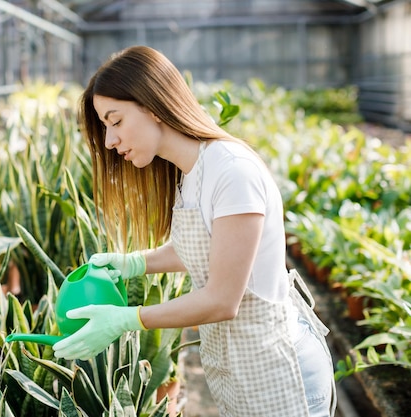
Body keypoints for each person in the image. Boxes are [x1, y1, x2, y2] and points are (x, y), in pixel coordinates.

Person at [51, 45, 336, 416]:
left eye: (115, 121)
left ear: (153, 106)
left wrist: (127, 319)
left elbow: (222, 299)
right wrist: (133, 263)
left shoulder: (232, 172)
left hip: (283, 374)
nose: (109, 141)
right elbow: (206, 247)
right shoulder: (192, 171)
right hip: (241, 374)